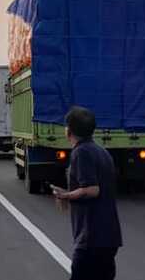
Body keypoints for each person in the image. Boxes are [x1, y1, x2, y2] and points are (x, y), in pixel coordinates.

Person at [53, 106, 122, 280]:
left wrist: (65, 196)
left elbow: (92, 190)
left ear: (69, 130)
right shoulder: (101, 151)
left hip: (91, 237)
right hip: (108, 235)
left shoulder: (81, 152)